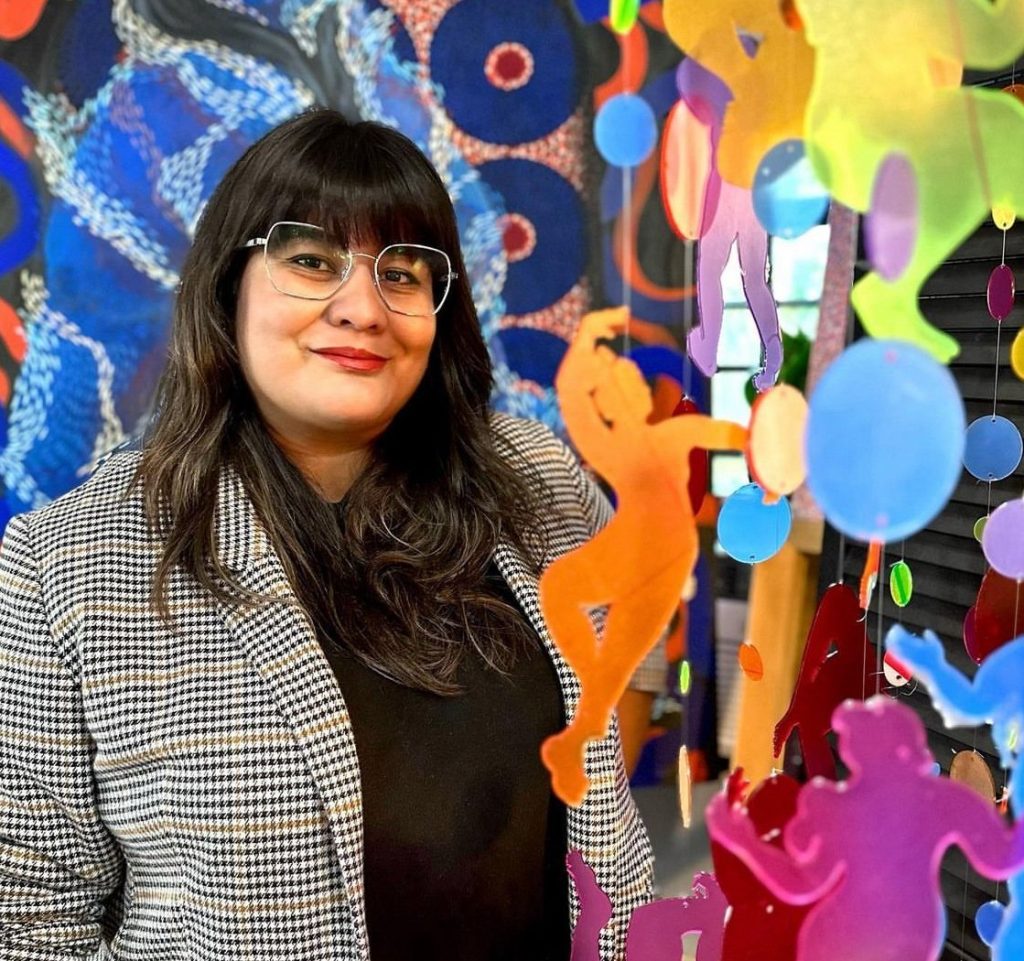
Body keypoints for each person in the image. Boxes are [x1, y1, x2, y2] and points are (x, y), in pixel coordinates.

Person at [0, 109, 657, 961]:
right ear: (227, 285)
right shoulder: (69, 562)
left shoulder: (532, 479)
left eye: (406, 273)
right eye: (311, 260)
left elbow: (633, 626)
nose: (363, 308)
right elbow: (30, 917)